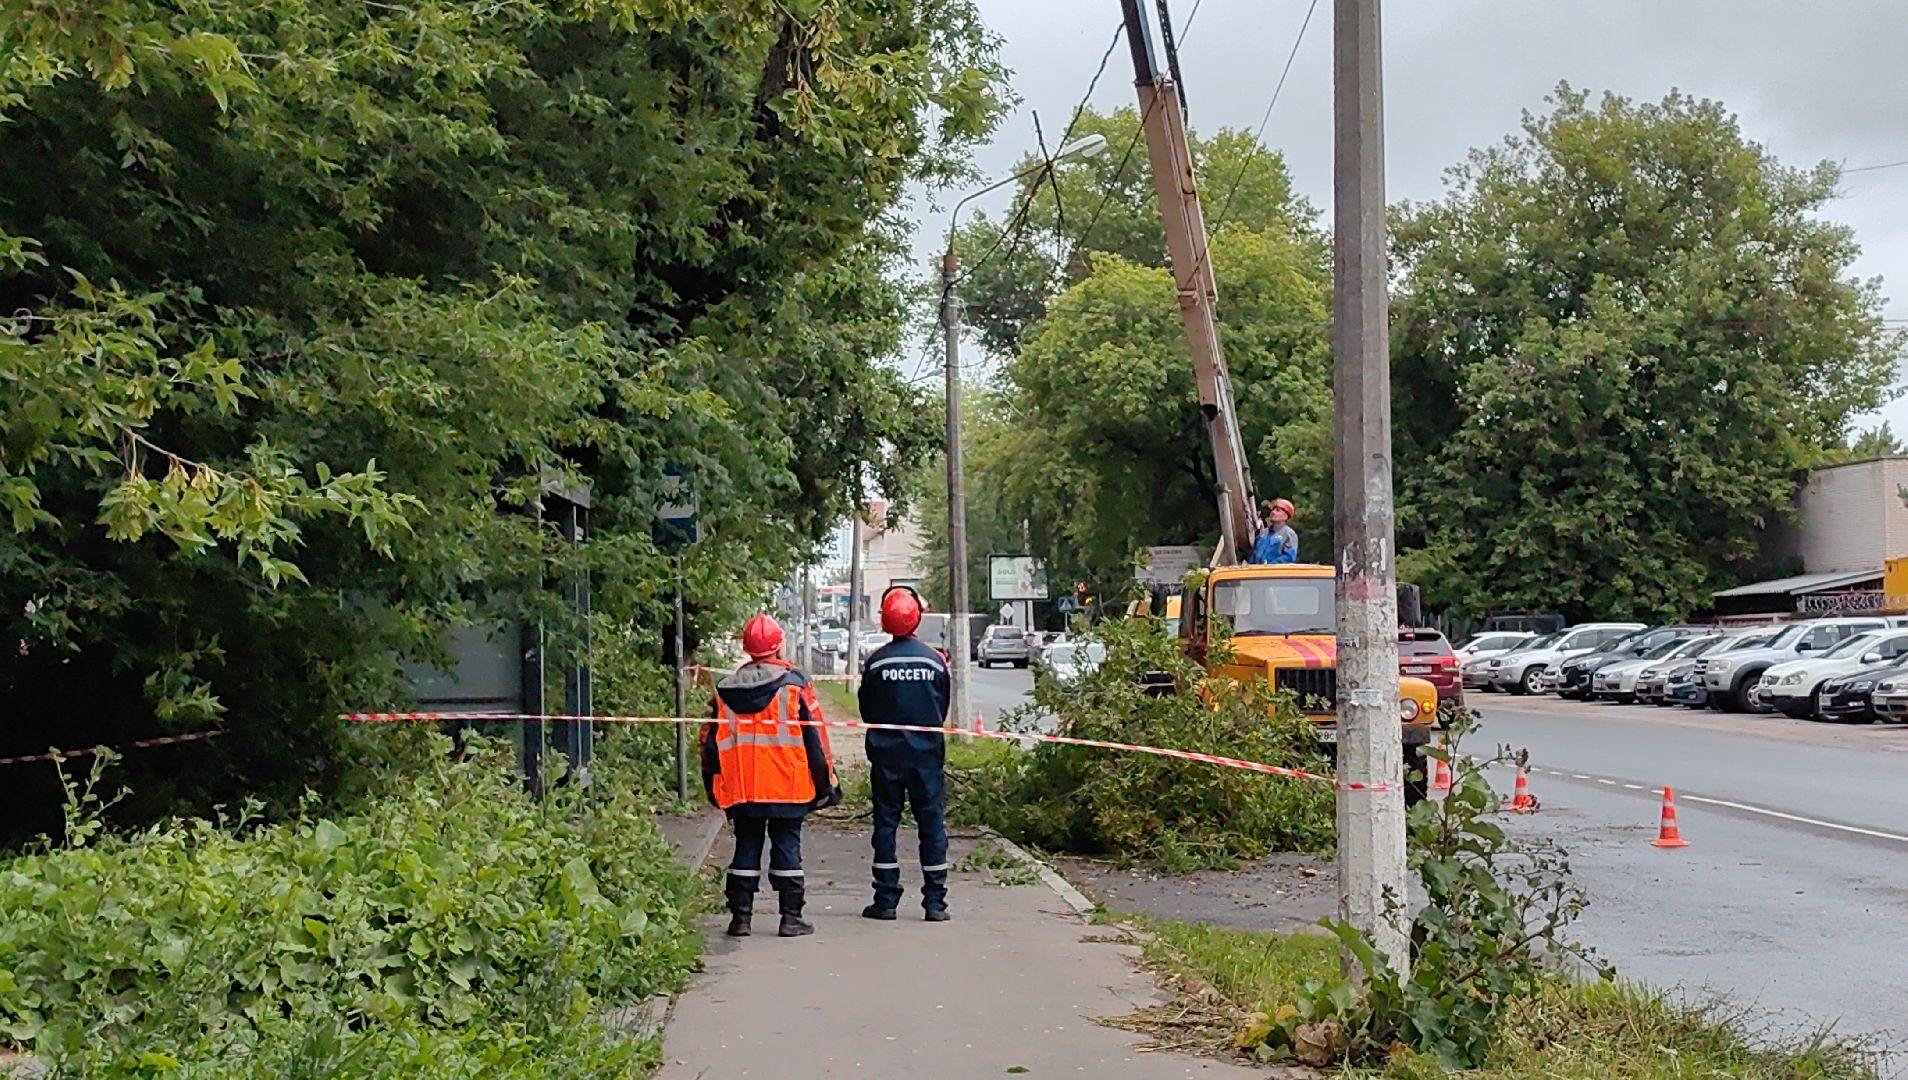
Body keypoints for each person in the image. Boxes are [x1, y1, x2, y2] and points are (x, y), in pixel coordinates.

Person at [702, 612, 841, 938]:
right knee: (787, 846)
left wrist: (714, 787)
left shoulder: (725, 691)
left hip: (743, 787)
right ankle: (791, 918)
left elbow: (709, 745)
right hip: (788, 785)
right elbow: (815, 740)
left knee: (746, 847)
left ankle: (740, 918)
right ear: (779, 645)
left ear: (747, 647)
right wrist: (826, 784)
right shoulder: (795, 687)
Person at [857, 585, 952, 922]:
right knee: (932, 825)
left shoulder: (876, 663)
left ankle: (885, 900)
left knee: (886, 824)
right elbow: (942, 707)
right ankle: (935, 903)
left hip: (886, 758)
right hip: (926, 758)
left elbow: (866, 709)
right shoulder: (935, 662)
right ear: (917, 618)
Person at [1251, 498, 1299, 565]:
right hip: (1257, 572)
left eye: (1277, 510)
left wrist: (1271, 565)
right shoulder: (1263, 533)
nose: (1273, 512)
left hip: (1276, 573)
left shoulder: (1289, 534)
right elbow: (1254, 554)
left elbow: (1289, 557)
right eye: (1272, 510)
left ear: (1286, 516)